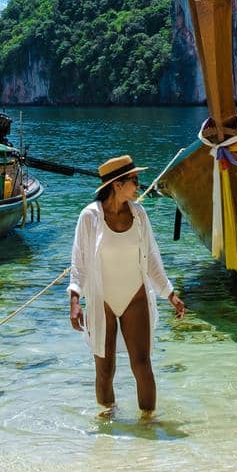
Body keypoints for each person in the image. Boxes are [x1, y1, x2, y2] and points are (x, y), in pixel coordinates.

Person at [69, 154, 185, 415]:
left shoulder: (140, 215)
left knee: (142, 365)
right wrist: (74, 300)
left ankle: (148, 424)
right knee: (105, 368)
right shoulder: (90, 217)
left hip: (135, 297)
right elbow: (79, 262)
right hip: (102, 300)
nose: (138, 186)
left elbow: (153, 260)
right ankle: (107, 424)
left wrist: (170, 294)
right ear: (117, 184)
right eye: (134, 180)